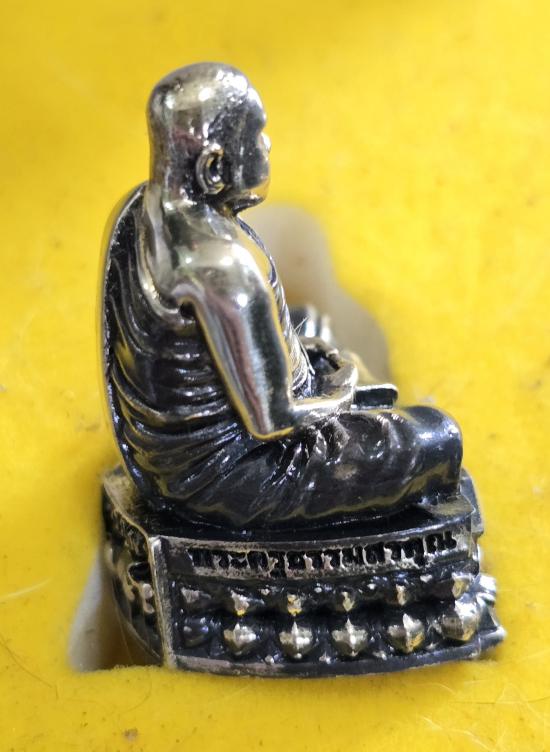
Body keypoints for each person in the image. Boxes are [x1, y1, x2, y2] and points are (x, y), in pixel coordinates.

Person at [102, 63, 463, 530]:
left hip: (158, 459)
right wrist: (341, 389)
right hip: (234, 474)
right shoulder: (223, 271)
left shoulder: (139, 210)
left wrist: (300, 359)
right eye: (256, 136)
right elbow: (275, 424)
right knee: (437, 437)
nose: (267, 145)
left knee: (308, 322)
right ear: (213, 168)